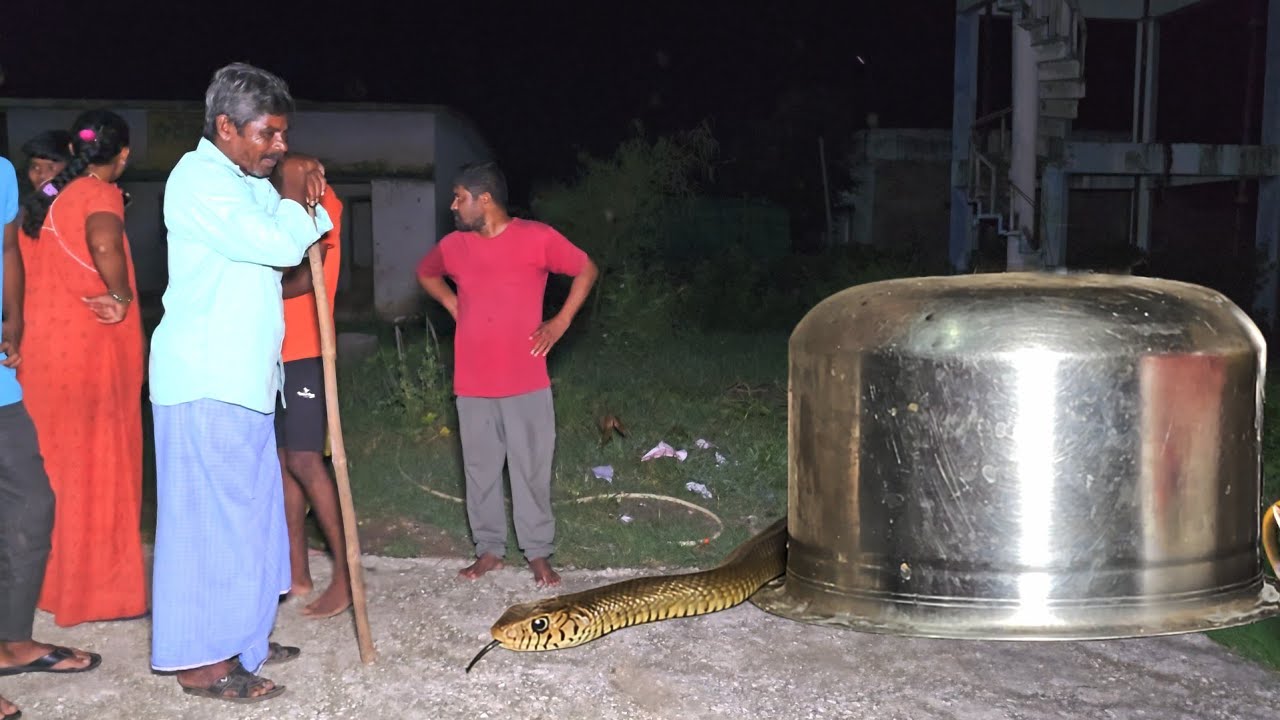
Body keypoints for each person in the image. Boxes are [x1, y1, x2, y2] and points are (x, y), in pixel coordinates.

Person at [147, 62, 330, 704]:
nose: (278, 144)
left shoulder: (243, 178)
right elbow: (278, 242)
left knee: (251, 518)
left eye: (284, 133)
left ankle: (243, 637)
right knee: (210, 526)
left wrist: (295, 181)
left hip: (247, 379)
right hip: (205, 378)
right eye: (267, 133)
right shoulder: (198, 180)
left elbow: (295, 239)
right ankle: (203, 661)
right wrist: (294, 187)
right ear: (225, 126)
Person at [416, 161, 598, 588]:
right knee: (479, 470)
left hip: (525, 380)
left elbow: (586, 269)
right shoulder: (454, 246)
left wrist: (560, 322)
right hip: (472, 383)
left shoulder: (537, 238)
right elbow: (426, 272)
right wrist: (453, 304)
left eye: (459, 197)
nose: (453, 205)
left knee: (531, 469)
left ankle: (537, 552)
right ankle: (489, 549)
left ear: (484, 199)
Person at [15, 110, 147, 628]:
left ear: (72, 148)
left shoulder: (45, 201)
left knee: (54, 471)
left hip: (44, 356)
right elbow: (103, 241)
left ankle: (50, 586)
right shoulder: (98, 193)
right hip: (88, 355)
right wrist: (121, 294)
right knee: (97, 468)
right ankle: (98, 593)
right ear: (123, 154)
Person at [0, 156, 102, 720]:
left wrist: (15, 318)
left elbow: (7, 248)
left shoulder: (0, 172)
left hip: (0, 385)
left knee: (31, 504)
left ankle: (12, 641)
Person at [275, 177, 351, 619]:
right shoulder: (274, 199)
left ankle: (346, 574)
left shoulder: (318, 200)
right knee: (283, 463)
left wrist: (255, 282)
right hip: (272, 351)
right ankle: (297, 572)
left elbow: (307, 273)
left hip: (305, 347)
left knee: (305, 460)